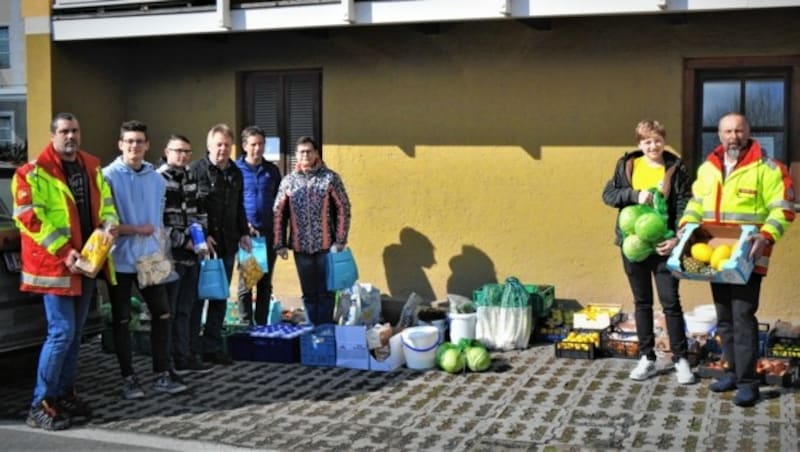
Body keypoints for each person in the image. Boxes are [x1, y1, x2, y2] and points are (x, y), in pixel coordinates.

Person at [679, 112, 794, 407]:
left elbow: (783, 208)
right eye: (728, 131)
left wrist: (766, 236)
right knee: (725, 318)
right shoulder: (708, 168)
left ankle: (748, 383)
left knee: (743, 318)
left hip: (747, 258)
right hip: (714, 257)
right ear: (720, 135)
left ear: (748, 132)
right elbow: (695, 203)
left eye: (739, 131)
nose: (734, 136)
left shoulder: (768, 168)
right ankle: (730, 371)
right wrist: (686, 227)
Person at [13, 113, 119, 430]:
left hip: (87, 262)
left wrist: (109, 228)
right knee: (60, 334)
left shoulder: (91, 166)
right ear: (52, 135)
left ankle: (62, 395)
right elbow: (28, 218)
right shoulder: (31, 173)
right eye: (64, 131)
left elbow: (107, 205)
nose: (70, 136)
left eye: (74, 130)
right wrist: (64, 250)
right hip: (55, 267)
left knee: (74, 337)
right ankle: (39, 405)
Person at [602, 119, 695, 385]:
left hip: (664, 245)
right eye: (647, 141)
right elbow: (609, 195)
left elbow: (684, 203)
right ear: (639, 144)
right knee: (641, 302)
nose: (652, 145)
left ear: (664, 141)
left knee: (670, 302)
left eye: (657, 140)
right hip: (633, 245)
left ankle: (681, 359)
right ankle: (648, 359)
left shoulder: (675, 167)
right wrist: (635, 195)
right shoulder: (628, 165)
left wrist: (678, 238)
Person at [103, 120, 188, 399]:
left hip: (151, 258)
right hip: (120, 259)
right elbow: (105, 224)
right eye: (129, 141)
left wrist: (161, 246)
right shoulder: (107, 176)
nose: (135, 146)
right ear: (120, 145)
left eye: (139, 141)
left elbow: (158, 219)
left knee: (163, 314)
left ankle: (161, 373)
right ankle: (128, 378)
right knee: (123, 320)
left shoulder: (156, 179)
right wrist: (136, 230)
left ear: (148, 145)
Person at [190, 124, 251, 365]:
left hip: (227, 244)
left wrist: (244, 233)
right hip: (203, 247)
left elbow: (239, 207)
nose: (223, 149)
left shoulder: (235, 172)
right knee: (197, 299)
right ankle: (191, 347)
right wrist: (202, 235)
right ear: (209, 146)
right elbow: (191, 209)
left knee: (219, 297)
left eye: (227, 145)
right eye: (218, 144)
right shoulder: (195, 170)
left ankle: (212, 346)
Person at [274, 136, 351, 325]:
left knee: (326, 292)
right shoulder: (289, 181)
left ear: (316, 153)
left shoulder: (329, 178)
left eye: (309, 151)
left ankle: (325, 330)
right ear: (296, 156)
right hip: (301, 248)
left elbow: (343, 207)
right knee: (308, 293)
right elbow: (278, 213)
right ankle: (312, 333)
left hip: (326, 246)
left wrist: (341, 239)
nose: (305, 155)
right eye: (301, 152)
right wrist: (279, 243)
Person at [156, 134, 213, 373]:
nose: (183, 156)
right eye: (178, 151)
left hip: (192, 255)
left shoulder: (190, 177)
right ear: (166, 151)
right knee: (169, 310)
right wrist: (182, 241)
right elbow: (158, 221)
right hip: (170, 256)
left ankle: (185, 356)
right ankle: (167, 361)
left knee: (186, 309)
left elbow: (199, 212)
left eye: (187, 152)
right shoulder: (158, 179)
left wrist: (202, 237)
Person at [234, 126, 281, 325]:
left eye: (261, 144)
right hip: (247, 236)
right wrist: (242, 226)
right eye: (253, 144)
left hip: (268, 233)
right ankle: (246, 324)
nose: (257, 148)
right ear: (245, 146)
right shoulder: (235, 170)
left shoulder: (272, 171)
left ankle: (261, 324)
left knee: (265, 282)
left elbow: (280, 201)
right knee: (248, 282)